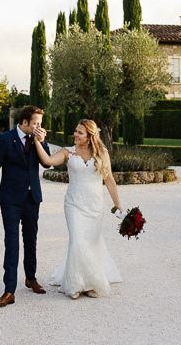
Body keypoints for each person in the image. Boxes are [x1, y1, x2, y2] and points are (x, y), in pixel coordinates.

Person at [33, 119, 124, 299]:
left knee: (90, 243)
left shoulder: (102, 153)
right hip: (74, 204)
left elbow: (109, 180)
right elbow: (48, 160)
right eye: (76, 131)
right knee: (77, 241)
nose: (75, 134)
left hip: (95, 205)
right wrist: (37, 141)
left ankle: (89, 284)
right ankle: (75, 284)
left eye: (80, 133)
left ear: (90, 137)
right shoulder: (68, 152)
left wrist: (117, 204)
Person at [0, 105, 52, 307]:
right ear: (25, 122)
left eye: (41, 123)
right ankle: (9, 290)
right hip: (10, 200)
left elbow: (47, 163)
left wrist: (42, 141)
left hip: (32, 199)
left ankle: (31, 277)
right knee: (11, 243)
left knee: (31, 239)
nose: (39, 127)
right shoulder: (5, 139)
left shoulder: (37, 139)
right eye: (36, 123)